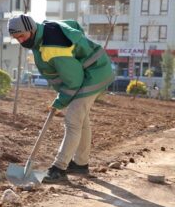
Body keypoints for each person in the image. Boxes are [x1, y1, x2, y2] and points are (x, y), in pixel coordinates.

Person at [7, 14, 114, 183]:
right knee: (81, 120)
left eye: (22, 36)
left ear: (31, 29)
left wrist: (60, 101)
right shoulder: (45, 28)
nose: (20, 40)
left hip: (94, 74)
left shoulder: (52, 46)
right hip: (92, 71)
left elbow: (74, 81)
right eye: (16, 38)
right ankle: (80, 164)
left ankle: (59, 168)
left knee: (72, 121)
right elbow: (73, 25)